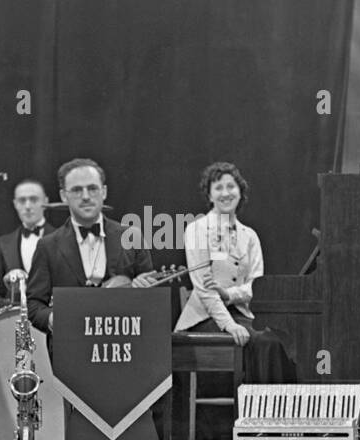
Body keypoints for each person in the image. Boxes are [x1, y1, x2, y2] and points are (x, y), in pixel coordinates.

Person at [175, 161, 296, 383]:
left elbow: (257, 285)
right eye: (218, 188)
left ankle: (280, 413)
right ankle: (258, 413)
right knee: (262, 342)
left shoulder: (249, 236)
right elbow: (204, 289)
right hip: (206, 316)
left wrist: (229, 294)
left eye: (231, 187)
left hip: (243, 314)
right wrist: (230, 325)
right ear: (209, 195)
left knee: (280, 339)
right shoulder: (196, 230)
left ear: (240, 192)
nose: (225, 193)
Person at [26, 158, 159, 333]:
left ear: (104, 192)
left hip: (125, 344)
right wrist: (51, 318)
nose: (86, 196)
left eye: (92, 188)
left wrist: (145, 291)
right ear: (63, 196)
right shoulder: (47, 246)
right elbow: (34, 305)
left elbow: (152, 300)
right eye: (76, 190)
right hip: (70, 345)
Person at [0, 178, 55, 293]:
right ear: (15, 204)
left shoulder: (62, 238)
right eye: (22, 200)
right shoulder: (2, 243)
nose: (28, 206)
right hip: (15, 309)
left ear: (45, 202)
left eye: (34, 199)